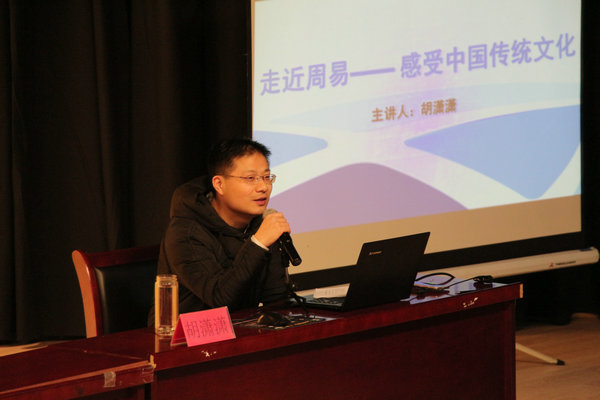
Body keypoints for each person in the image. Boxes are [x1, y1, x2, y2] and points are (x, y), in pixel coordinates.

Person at [154, 138, 292, 316]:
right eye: (250, 178)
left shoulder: (260, 223)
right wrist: (258, 243)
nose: (263, 187)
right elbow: (219, 298)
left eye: (267, 177)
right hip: (187, 330)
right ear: (219, 184)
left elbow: (276, 298)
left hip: (244, 326)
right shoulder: (185, 232)